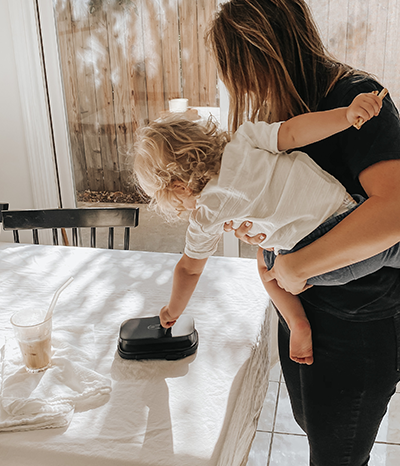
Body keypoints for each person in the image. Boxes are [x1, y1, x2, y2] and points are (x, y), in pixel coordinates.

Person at [206, 0, 400, 466]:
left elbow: (396, 209)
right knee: (315, 431)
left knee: (337, 458)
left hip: (359, 323)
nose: (245, 88)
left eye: (243, 73)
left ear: (267, 54)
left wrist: (297, 267)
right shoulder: (286, 112)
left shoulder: (356, 99)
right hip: (308, 313)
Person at [134, 91, 399, 367]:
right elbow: (295, 132)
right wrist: (345, 116)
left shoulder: (206, 214)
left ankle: (297, 323)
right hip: (348, 216)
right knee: (388, 241)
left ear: (179, 188)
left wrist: (171, 311)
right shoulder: (245, 138)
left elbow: (189, 269)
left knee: (265, 262)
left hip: (315, 258)